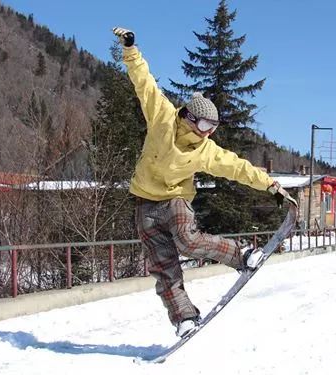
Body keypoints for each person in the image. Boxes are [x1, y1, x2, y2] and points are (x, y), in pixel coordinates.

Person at [112, 27, 298, 337]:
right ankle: (184, 317)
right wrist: (131, 50)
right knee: (164, 267)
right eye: (203, 124)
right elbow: (144, 84)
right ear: (187, 116)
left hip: (175, 201)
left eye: (213, 127)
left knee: (188, 240)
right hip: (144, 203)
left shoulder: (205, 149)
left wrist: (271, 185)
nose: (207, 132)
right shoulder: (162, 118)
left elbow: (238, 167)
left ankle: (243, 255)